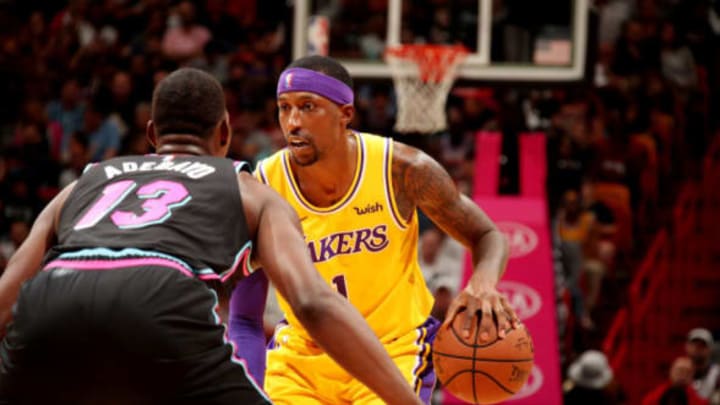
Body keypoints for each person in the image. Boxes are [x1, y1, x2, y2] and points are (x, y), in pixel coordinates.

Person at [0, 68, 424, 405]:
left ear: (151, 136)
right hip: (159, 302)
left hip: (47, 309)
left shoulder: (85, 182)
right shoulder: (249, 189)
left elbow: (8, 291)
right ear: (224, 133)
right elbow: (311, 302)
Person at [230, 55, 518, 404]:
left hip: (391, 352)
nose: (293, 122)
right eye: (284, 107)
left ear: (345, 115)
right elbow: (244, 314)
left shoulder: (401, 169)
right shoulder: (263, 185)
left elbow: (488, 235)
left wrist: (483, 283)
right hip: (300, 363)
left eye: (308, 107)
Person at [641, 356, 708, 405]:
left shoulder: (700, 403)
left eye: (688, 372)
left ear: (692, 376)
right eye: (680, 371)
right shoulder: (652, 399)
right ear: (671, 371)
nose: (683, 375)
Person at [686, 328, 720, 403]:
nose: (698, 348)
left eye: (702, 345)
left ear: (710, 349)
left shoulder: (717, 374)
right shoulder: (680, 371)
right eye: (694, 344)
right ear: (687, 347)